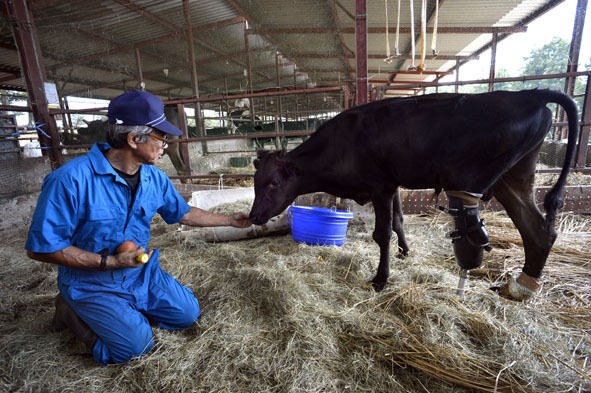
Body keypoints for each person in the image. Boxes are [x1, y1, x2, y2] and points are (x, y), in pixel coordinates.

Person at [25, 89, 251, 365]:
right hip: (91, 282)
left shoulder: (154, 178)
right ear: (134, 139)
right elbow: (41, 248)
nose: (166, 145)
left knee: (187, 314)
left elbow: (184, 213)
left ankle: (124, 313)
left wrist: (230, 220)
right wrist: (107, 261)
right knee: (136, 349)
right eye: (162, 137)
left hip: (140, 272)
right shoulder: (69, 180)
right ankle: (72, 313)